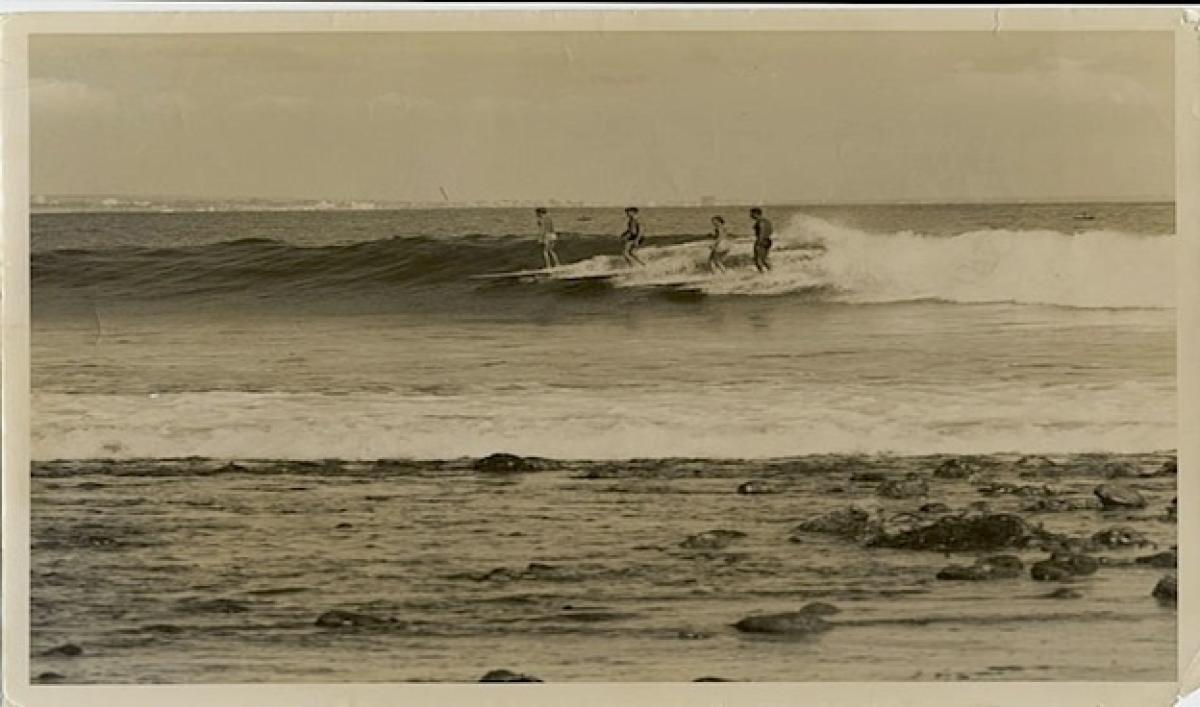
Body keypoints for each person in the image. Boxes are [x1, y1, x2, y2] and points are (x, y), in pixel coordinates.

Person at [750, 207, 774, 273]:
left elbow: (761, 232)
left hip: (761, 241)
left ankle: (762, 273)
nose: (750, 215)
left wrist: (758, 243)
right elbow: (771, 230)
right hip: (768, 240)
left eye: (751, 213)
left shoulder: (760, 222)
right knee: (764, 259)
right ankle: (771, 271)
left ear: (755, 214)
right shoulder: (767, 221)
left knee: (757, 260)